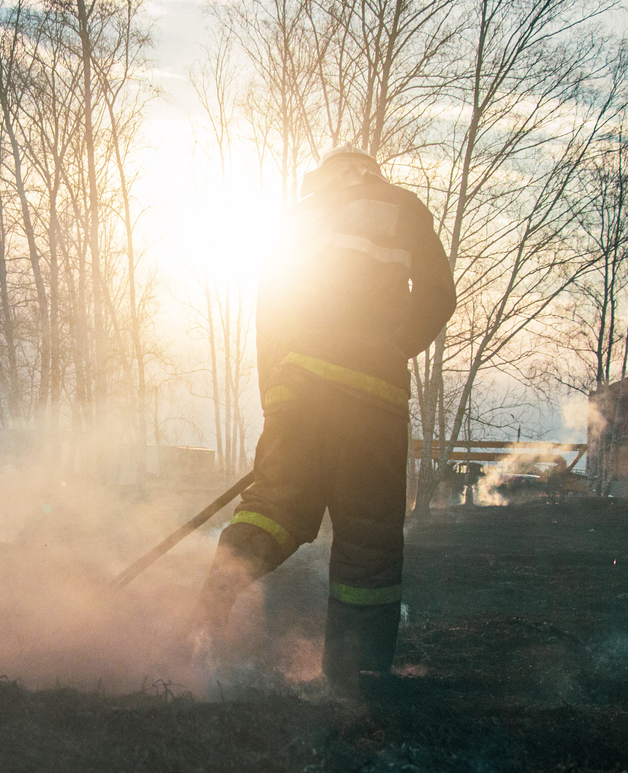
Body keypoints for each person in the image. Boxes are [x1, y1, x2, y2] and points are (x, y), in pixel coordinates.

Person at [195, 145, 456, 697]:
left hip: (298, 393)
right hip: (374, 400)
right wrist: (393, 347)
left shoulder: (294, 220)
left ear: (325, 177)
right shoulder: (401, 206)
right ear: (369, 172)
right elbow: (439, 294)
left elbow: (271, 317)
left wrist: (278, 400)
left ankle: (213, 600)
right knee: (368, 537)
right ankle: (352, 675)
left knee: (275, 508)